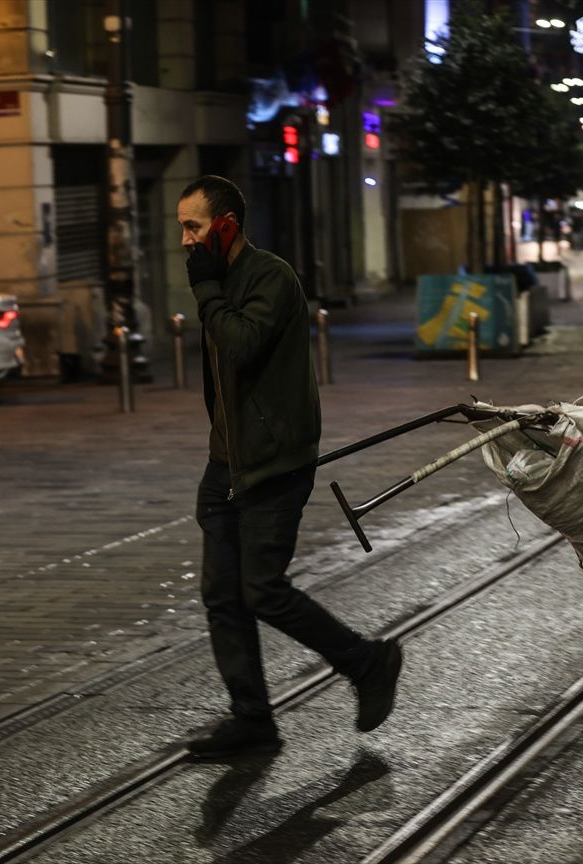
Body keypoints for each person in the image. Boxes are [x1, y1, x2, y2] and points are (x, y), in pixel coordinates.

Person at [178, 175, 402, 759]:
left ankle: (366, 661)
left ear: (225, 225)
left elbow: (242, 344)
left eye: (193, 227)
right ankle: (252, 720)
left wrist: (206, 292)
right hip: (226, 465)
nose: (184, 240)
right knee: (222, 596)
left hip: (273, 465)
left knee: (263, 590)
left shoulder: (269, 277)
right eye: (181, 227)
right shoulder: (221, 281)